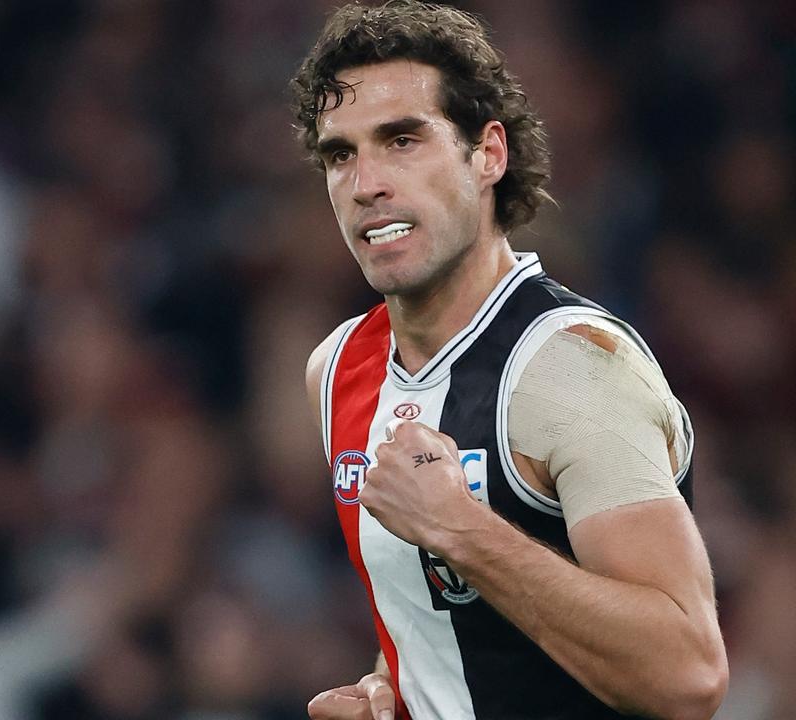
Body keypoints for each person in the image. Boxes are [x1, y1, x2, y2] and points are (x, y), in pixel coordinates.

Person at [292, 2, 728, 718]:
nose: (366, 183)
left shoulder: (574, 368)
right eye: (341, 153)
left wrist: (464, 531)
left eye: (402, 140)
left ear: (487, 154)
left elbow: (688, 674)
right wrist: (386, 694)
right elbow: (439, 627)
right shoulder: (336, 371)